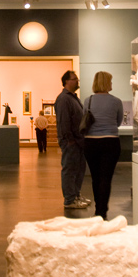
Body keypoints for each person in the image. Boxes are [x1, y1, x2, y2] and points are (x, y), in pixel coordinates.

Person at [83, 71, 124, 220]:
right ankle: (102, 211)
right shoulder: (116, 101)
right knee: (106, 178)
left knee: (95, 177)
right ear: (107, 83)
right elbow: (118, 122)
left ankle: (97, 209)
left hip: (91, 142)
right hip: (110, 141)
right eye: (110, 82)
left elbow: (85, 119)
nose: (112, 84)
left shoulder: (88, 101)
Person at [54, 70, 89, 209]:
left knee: (79, 169)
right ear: (67, 81)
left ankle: (76, 195)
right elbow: (64, 122)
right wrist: (70, 140)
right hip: (71, 142)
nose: (77, 81)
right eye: (74, 79)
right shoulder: (64, 99)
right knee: (70, 169)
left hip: (79, 141)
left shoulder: (74, 98)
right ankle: (69, 200)